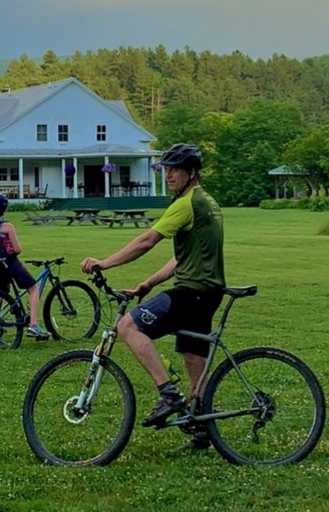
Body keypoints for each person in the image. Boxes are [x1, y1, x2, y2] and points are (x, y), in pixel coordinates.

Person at [80, 143, 225, 450]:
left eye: (175, 169)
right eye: (166, 169)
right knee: (193, 359)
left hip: (192, 292)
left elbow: (147, 241)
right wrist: (147, 283)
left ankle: (168, 395)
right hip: (208, 292)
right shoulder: (207, 202)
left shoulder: (186, 204)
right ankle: (201, 431)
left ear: (192, 172)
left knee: (128, 326)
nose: (168, 174)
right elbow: (184, 259)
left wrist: (104, 262)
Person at [0, 192, 51, 339]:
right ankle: (34, 325)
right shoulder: (7, 226)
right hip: (9, 264)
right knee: (33, 288)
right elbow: (17, 249)